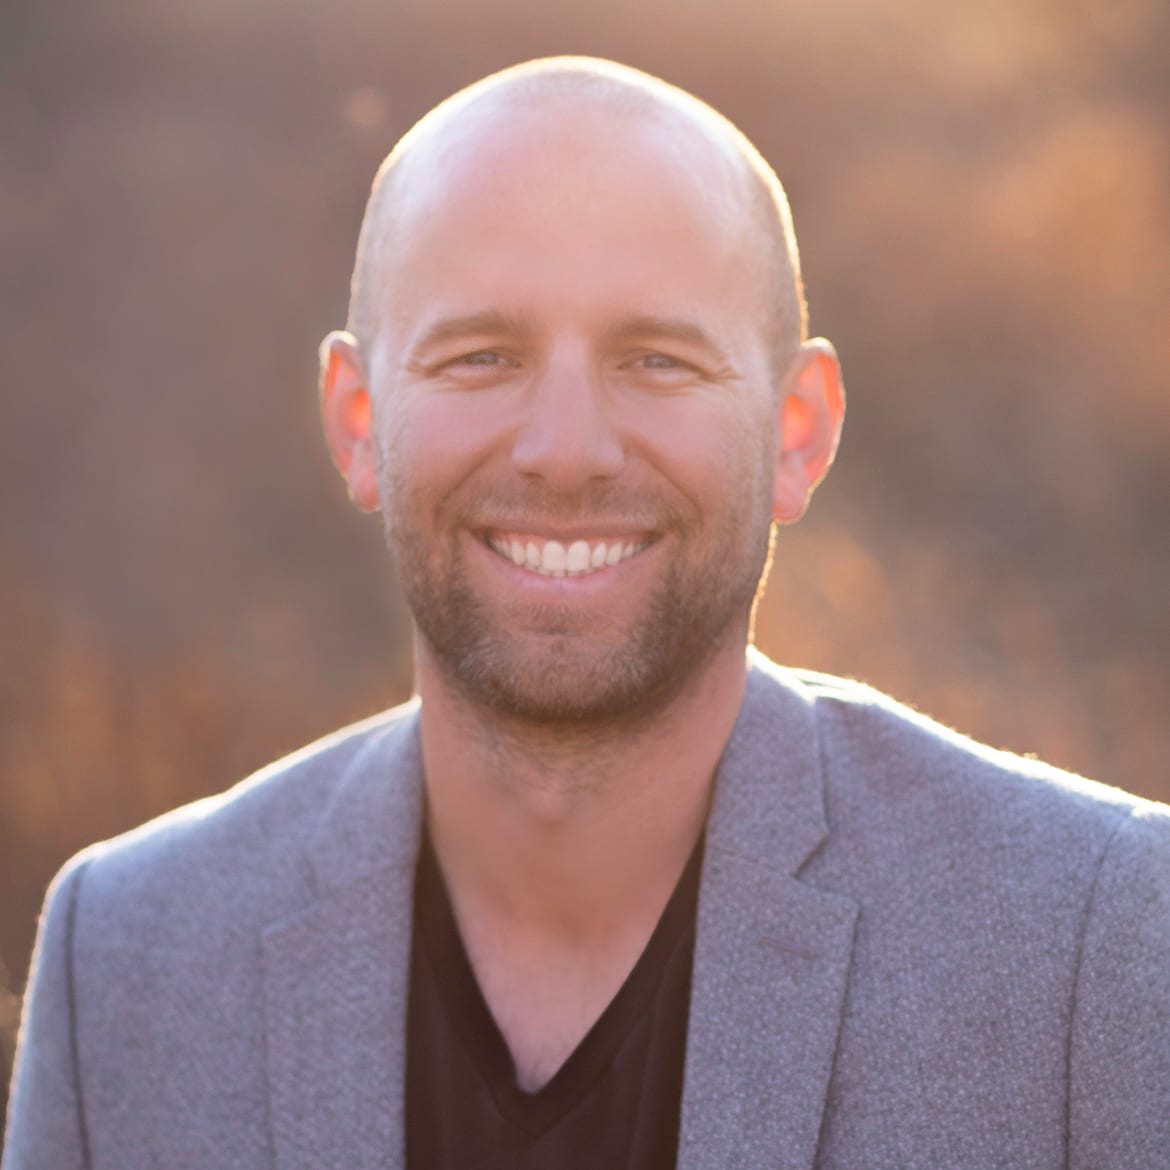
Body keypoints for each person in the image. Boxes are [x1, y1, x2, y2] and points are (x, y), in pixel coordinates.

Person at [4, 56, 1169, 1170]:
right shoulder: (128, 956)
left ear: (797, 429)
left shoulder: (1096, 934)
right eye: (481, 357)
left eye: (657, 360)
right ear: (358, 421)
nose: (566, 450)